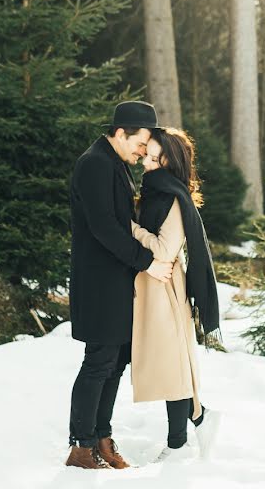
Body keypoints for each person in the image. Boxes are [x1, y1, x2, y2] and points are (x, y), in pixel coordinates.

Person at [65, 101, 175, 470]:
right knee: (99, 361)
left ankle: (101, 439)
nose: (142, 151)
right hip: (98, 280)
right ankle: (81, 448)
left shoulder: (113, 163)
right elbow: (104, 227)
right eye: (141, 143)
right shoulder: (95, 164)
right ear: (119, 132)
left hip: (116, 278)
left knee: (114, 362)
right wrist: (148, 263)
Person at [130, 127, 222, 463]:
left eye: (157, 159)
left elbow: (164, 249)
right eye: (147, 157)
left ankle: (180, 439)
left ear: (173, 163)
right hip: (151, 285)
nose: (148, 165)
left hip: (164, 287)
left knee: (171, 365)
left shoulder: (172, 197)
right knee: (169, 364)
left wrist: (127, 226)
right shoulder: (155, 192)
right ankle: (197, 420)